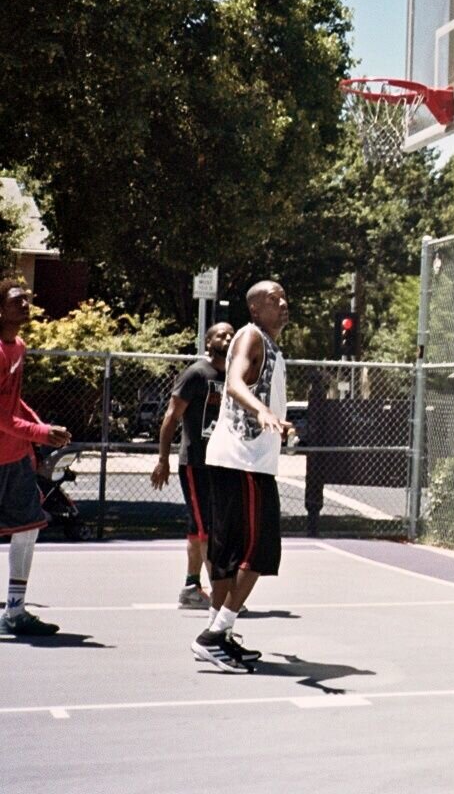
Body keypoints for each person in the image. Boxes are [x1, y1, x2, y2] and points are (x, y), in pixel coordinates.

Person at [191, 281, 293, 672]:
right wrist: (261, 411)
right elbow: (234, 383)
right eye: (273, 299)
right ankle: (215, 634)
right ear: (254, 309)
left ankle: (220, 636)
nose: (282, 304)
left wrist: (275, 418)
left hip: (238, 460)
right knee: (259, 551)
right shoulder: (252, 336)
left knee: (229, 552)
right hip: (244, 462)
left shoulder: (268, 344)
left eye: (284, 298)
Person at [0, 282, 71, 637]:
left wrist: (40, 425)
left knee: (28, 530)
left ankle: (14, 612)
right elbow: (0, 415)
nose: (27, 304)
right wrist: (40, 434)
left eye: (29, 297)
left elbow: (14, 402)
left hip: (14, 459)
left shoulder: (19, 347)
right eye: (17, 300)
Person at [152, 322, 235, 609]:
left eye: (231, 334)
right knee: (207, 530)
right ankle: (220, 595)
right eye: (221, 334)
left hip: (223, 463)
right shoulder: (197, 373)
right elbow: (172, 417)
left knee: (197, 528)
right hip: (196, 462)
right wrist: (163, 458)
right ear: (208, 341)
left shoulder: (236, 376)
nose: (227, 337)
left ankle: (191, 586)